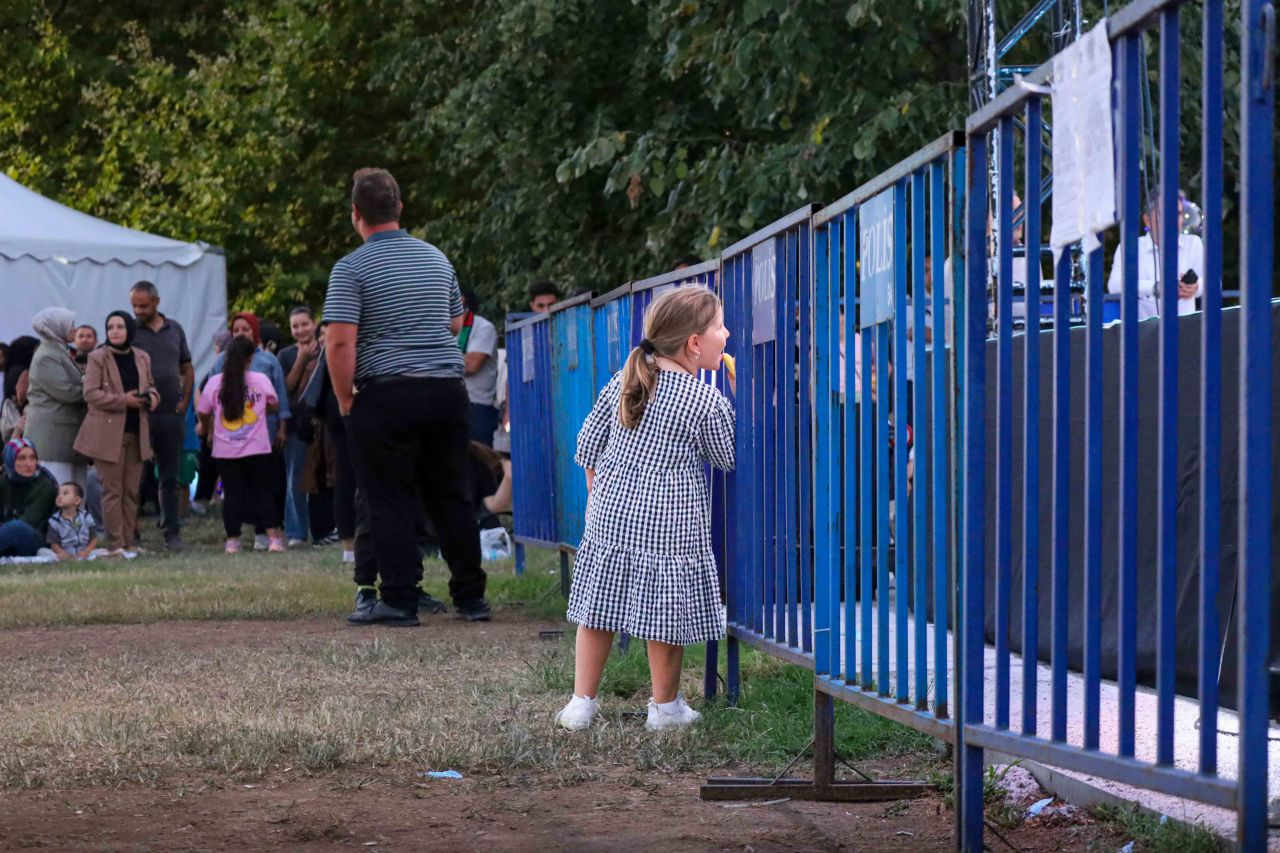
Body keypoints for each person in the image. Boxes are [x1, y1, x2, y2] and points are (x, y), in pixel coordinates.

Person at [555, 286, 735, 732]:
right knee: (665, 619)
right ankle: (666, 707)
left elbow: (587, 446)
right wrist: (738, 400)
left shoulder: (625, 381)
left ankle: (581, 702)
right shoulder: (704, 400)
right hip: (672, 526)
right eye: (718, 327)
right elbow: (727, 456)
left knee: (596, 611)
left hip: (610, 516)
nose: (726, 334)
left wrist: (601, 499)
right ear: (695, 343)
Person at [325, 166, 487, 627]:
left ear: (356, 214)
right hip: (446, 391)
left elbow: (339, 341)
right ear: (400, 208)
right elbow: (457, 324)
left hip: (386, 392)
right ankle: (471, 597)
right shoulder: (437, 259)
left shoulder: (351, 268)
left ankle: (398, 599)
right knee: (452, 495)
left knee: (389, 497)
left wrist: (344, 399)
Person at [74, 311, 161, 555]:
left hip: (137, 432)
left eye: (120, 326)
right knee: (113, 490)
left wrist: (151, 398)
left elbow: (152, 385)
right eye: (110, 327)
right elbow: (90, 394)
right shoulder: (97, 357)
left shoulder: (142, 356)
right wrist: (124, 401)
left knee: (132, 490)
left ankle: (129, 542)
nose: (114, 331)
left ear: (129, 329)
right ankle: (115, 545)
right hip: (107, 435)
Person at [208, 312, 291, 549]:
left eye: (245, 330)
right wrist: (211, 427)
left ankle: (264, 533)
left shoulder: (267, 360)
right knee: (236, 489)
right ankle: (239, 537)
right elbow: (210, 399)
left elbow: (280, 398)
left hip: (264, 435)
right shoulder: (221, 361)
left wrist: (282, 426)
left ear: (255, 332)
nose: (240, 334)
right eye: (236, 331)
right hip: (231, 437)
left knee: (266, 485)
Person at [130, 281, 194, 551]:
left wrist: (185, 401)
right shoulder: (130, 330)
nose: (138, 311)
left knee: (170, 475)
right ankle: (131, 534)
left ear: (156, 302)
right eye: (134, 305)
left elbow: (187, 368)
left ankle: (171, 532)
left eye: (143, 306)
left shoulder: (175, 329)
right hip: (141, 414)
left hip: (171, 413)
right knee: (136, 475)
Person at [1106, 193, 1205, 320]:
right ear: (1147, 219)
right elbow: (1114, 285)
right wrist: (1154, 287)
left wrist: (1196, 287)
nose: (1174, 220)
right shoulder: (1131, 246)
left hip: (1184, 331)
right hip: (1143, 333)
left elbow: (1213, 282)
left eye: (1178, 214)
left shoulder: (1193, 243)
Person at [24, 308, 88, 489]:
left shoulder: (59, 351)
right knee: (58, 493)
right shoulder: (46, 356)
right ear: (57, 328)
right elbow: (67, 392)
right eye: (70, 325)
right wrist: (95, 391)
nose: (75, 329)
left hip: (65, 437)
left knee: (75, 495)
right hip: (53, 439)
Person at [278, 306, 321, 546]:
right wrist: (302, 359)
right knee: (295, 478)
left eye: (304, 324)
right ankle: (296, 532)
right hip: (296, 424)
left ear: (313, 324)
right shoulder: (285, 355)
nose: (300, 330)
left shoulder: (326, 348)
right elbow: (285, 388)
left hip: (323, 423)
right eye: (295, 326)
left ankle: (326, 529)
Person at [191, 329, 233, 514]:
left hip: (221, 424)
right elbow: (202, 392)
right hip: (217, 424)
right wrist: (205, 422)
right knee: (213, 463)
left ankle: (213, 496)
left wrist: (204, 421)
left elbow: (200, 392)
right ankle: (212, 496)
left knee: (214, 464)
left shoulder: (222, 361)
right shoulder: (218, 367)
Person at [0, 438, 58, 557]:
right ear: (10, 460)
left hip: (36, 539)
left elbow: (28, 520)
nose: (29, 464)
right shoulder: (5, 480)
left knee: (16, 527)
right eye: (22, 458)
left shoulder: (45, 485)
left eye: (32, 458)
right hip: (6, 537)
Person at [459, 292, 500, 447]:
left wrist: (436, 357)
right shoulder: (438, 328)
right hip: (447, 403)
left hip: (476, 407)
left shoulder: (483, 328)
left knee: (480, 462)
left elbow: (471, 365)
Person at [45, 482, 102, 560]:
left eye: (65, 493)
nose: (59, 496)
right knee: (42, 551)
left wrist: (86, 552)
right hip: (64, 552)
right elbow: (54, 544)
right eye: (58, 494)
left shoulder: (86, 517)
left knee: (103, 551)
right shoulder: (54, 521)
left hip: (85, 551)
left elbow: (94, 539)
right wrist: (62, 553)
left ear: (77, 500)